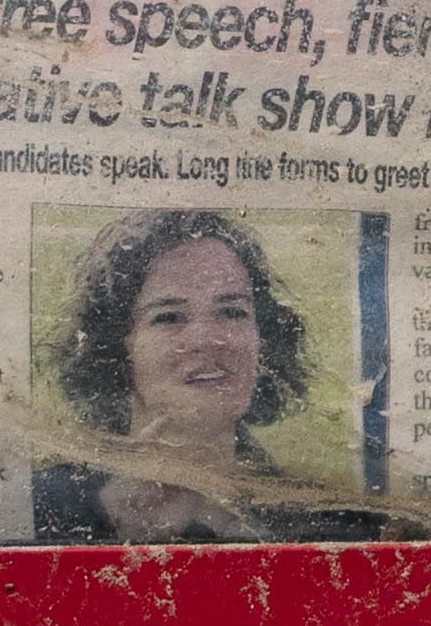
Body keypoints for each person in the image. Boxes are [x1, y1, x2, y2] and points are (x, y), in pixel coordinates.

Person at [30, 209, 340, 541]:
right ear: (116, 348)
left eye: (232, 311)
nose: (208, 340)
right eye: (168, 317)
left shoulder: (324, 516)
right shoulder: (44, 502)